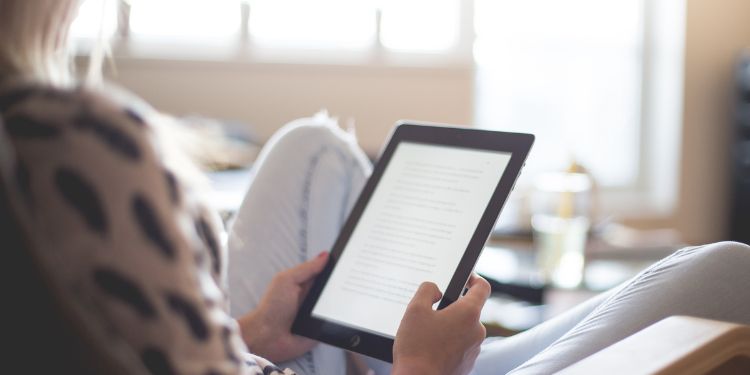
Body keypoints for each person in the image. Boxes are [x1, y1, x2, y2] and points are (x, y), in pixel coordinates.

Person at [1, 1, 749, 374]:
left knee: (314, 147)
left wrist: (255, 333)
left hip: (262, 354)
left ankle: (391, 345)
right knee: (729, 272)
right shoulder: (66, 146)